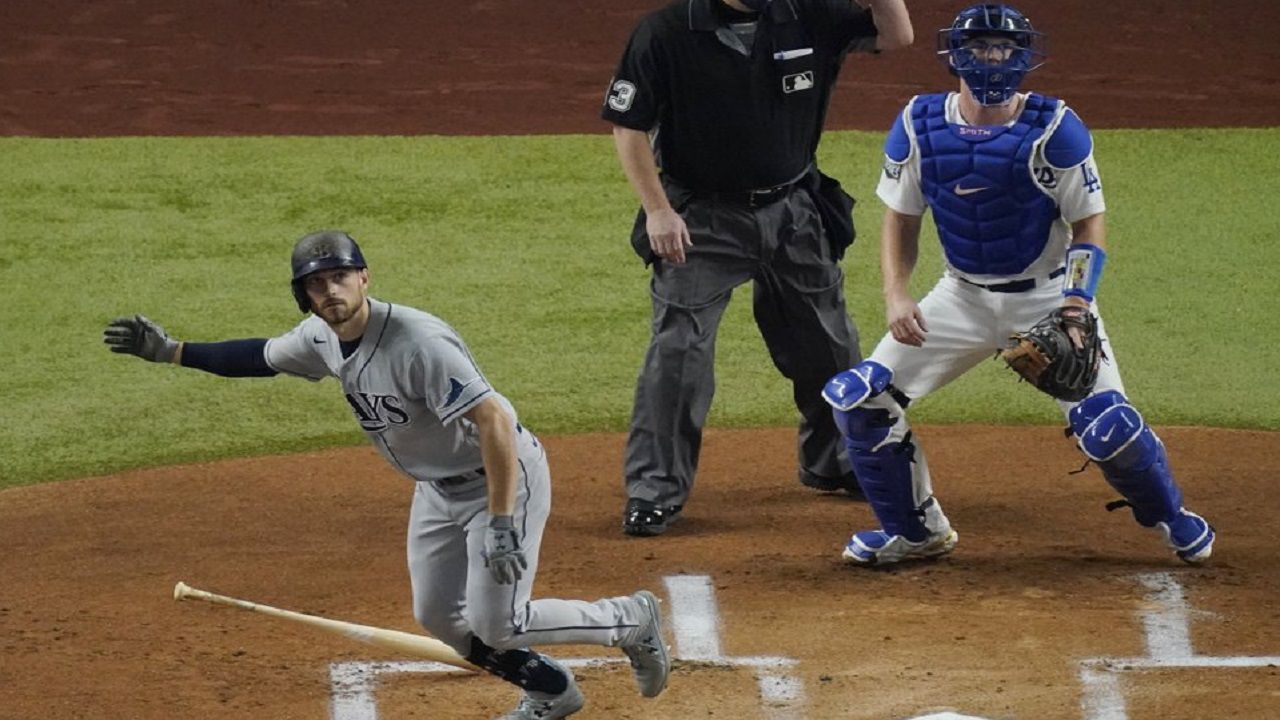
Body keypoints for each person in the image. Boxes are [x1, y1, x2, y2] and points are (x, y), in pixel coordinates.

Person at [103, 231, 670, 720]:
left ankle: (628, 619)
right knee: (438, 616)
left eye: (339, 276)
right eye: (316, 283)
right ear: (304, 296)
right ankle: (551, 691)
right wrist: (173, 351)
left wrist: (501, 520)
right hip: (436, 489)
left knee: (500, 625)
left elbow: (493, 419)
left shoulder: (418, 343)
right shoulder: (321, 339)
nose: (330, 291)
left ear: (364, 278)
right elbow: (259, 357)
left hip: (499, 479)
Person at [821, 3, 1216, 566]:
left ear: (1022, 55)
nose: (992, 59)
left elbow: (1089, 224)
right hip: (960, 296)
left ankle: (1175, 518)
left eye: (1002, 48)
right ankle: (916, 533)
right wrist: (896, 294)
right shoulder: (917, 124)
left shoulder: (1054, 129)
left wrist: (1077, 305)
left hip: (1048, 299)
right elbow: (900, 220)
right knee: (861, 400)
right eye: (980, 47)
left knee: (1108, 428)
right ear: (956, 54)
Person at [603, 0, 915, 536]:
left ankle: (834, 462)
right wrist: (658, 210)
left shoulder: (807, 14)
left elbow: (897, 34)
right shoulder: (666, 31)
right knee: (678, 355)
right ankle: (654, 490)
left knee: (829, 346)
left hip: (794, 211)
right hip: (702, 218)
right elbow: (628, 128)